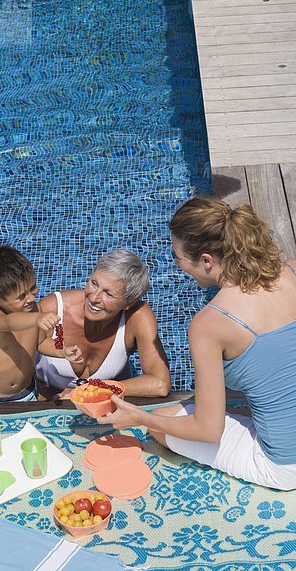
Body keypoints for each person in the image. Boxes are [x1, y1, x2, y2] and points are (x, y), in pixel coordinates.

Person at [98, 196, 296, 490]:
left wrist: (139, 417)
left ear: (206, 260)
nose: (178, 266)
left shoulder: (210, 324)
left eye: (178, 257)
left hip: (284, 465)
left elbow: (208, 431)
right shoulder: (291, 269)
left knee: (162, 422)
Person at [35, 249, 171, 399]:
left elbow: (160, 384)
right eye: (94, 283)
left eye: (108, 294)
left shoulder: (136, 317)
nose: (94, 298)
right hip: (48, 400)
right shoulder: (54, 310)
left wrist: (90, 391)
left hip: (101, 402)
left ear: (128, 303)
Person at [0, 245, 84, 404]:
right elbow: (9, 323)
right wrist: (37, 319)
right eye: (21, 296)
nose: (31, 298)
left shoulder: (34, 310)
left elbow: (40, 342)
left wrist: (63, 353)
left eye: (32, 288)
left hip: (26, 391)